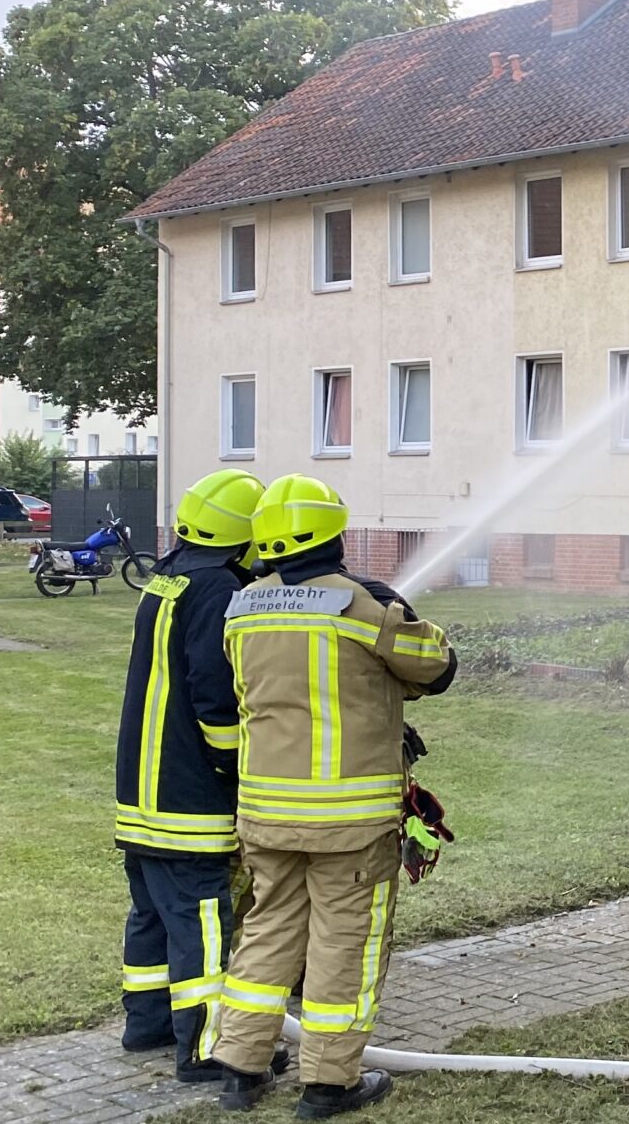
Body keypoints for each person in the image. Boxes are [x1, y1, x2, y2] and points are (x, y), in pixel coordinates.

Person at [212, 475, 456, 1118]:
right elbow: (435, 665)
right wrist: (388, 602)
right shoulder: (358, 607)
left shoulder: (242, 609)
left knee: (266, 932)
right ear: (335, 535)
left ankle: (239, 1066)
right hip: (348, 823)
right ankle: (328, 1083)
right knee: (344, 942)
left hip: (265, 813)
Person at [115, 468, 265, 1080]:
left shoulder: (169, 578)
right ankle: (204, 1050)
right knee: (203, 921)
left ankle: (145, 1023)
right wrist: (236, 768)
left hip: (141, 790)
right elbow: (214, 695)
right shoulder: (216, 590)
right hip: (188, 795)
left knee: (151, 914)